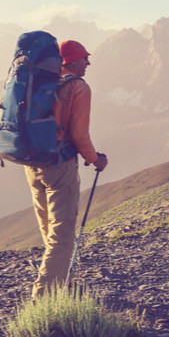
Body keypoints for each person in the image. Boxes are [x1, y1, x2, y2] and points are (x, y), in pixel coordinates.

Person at [26, 39, 108, 298]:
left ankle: (65, 282)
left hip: (32, 164)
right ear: (71, 61)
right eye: (84, 57)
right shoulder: (77, 87)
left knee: (48, 229)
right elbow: (79, 134)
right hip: (60, 167)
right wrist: (95, 159)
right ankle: (43, 300)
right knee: (62, 235)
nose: (88, 62)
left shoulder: (38, 82)